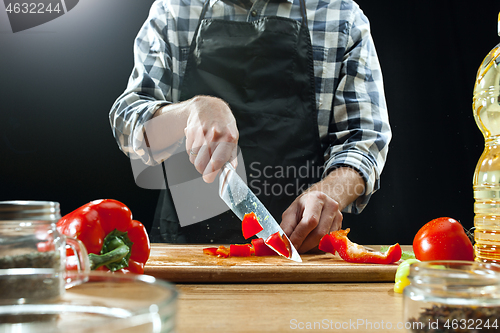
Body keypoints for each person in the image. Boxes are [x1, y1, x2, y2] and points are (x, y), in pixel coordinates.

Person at [109, 0, 391, 253]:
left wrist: (328, 193)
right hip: (187, 252)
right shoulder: (174, 11)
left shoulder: (341, 17)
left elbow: (364, 140)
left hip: (301, 247)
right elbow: (128, 121)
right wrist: (190, 111)